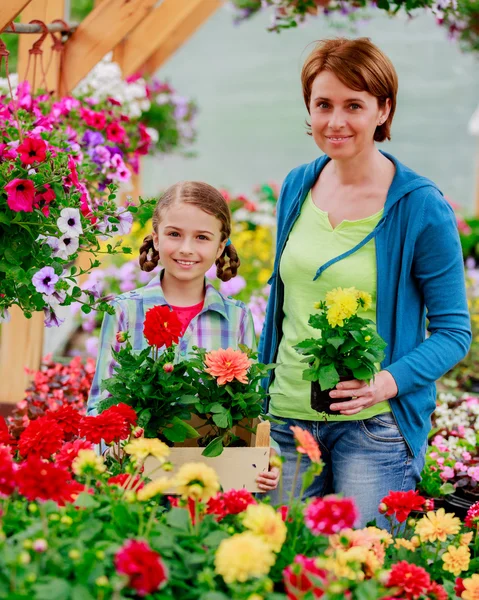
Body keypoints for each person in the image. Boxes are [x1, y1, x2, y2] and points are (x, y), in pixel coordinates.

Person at [259, 38, 471, 526]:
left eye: (354, 105)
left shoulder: (421, 207)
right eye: (323, 105)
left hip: (372, 431)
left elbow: (453, 332)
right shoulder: (297, 185)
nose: (336, 122)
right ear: (308, 110)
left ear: (383, 109)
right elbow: (284, 303)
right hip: (287, 422)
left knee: (360, 571)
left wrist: (383, 384)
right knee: (283, 566)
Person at [87, 181, 279, 492]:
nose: (187, 248)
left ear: (220, 246)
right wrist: (106, 455)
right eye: (174, 234)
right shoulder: (125, 311)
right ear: (156, 238)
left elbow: (250, 406)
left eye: (202, 238)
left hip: (213, 477)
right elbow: (102, 401)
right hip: (137, 475)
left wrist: (267, 460)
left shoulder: (236, 316)